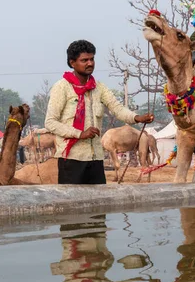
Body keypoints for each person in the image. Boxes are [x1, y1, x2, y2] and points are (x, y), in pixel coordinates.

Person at [45, 39, 154, 184]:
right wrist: (80, 134)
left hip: (96, 159)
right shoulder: (61, 87)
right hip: (71, 160)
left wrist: (137, 118)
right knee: (73, 204)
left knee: (97, 204)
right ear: (72, 63)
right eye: (84, 60)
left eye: (92, 59)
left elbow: (117, 108)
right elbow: (50, 122)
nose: (90, 63)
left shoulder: (98, 88)